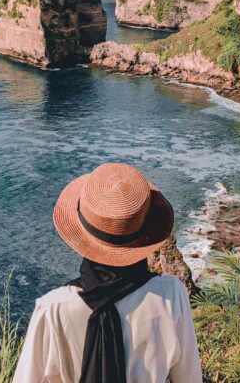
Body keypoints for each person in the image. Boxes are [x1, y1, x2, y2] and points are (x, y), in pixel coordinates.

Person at [13, 163, 203, 383]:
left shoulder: (53, 308)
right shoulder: (171, 296)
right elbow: (190, 378)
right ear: (145, 230)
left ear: (83, 233)